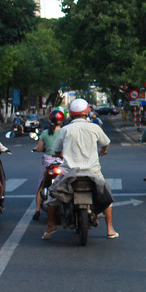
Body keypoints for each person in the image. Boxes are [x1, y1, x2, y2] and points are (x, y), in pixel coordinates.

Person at [43, 99, 118, 240]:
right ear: (87, 111)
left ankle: (50, 225)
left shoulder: (65, 130)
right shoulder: (94, 127)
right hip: (92, 171)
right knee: (106, 196)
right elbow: (106, 143)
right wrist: (102, 151)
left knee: (52, 195)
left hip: (69, 172)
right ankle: (110, 228)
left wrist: (61, 154)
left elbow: (57, 149)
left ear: (71, 113)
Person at [32, 110, 65, 220]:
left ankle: (37, 210)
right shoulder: (65, 132)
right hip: (63, 161)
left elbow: (40, 148)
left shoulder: (45, 133)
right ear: (62, 121)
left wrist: (35, 149)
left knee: (42, 185)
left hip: (48, 161)